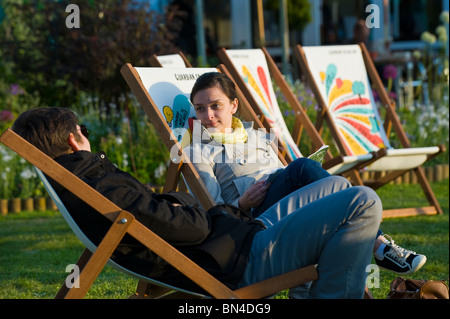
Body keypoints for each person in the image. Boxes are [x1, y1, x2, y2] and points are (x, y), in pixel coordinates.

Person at [12, 107, 382, 298]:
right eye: (85, 132)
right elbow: (191, 226)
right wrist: (193, 208)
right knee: (363, 200)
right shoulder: (100, 184)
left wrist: (186, 205)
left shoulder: (87, 182)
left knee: (332, 185)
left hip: (238, 239)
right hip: (241, 260)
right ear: (76, 141)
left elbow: (169, 214)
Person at [186, 72, 427, 277]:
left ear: (234, 105)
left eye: (215, 105)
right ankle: (380, 246)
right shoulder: (197, 151)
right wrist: (242, 203)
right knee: (303, 169)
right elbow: (212, 213)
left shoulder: (258, 135)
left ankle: (375, 249)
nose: (208, 116)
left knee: (337, 183)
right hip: (256, 221)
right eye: (200, 109)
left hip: (288, 200)